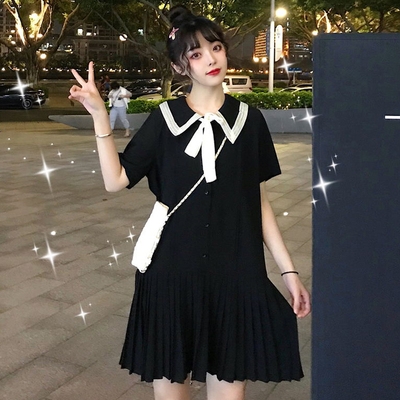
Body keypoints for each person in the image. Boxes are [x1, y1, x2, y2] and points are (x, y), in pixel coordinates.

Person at [68, 5, 311, 400]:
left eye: (215, 48)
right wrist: (99, 116)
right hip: (172, 275)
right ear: (181, 67)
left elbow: (258, 202)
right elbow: (116, 181)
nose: (211, 59)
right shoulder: (164, 119)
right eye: (196, 54)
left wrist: (289, 272)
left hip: (235, 274)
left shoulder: (249, 121)